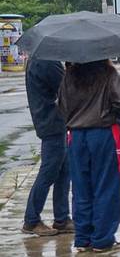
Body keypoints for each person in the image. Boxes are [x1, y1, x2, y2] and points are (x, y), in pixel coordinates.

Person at [58, 60, 120, 253]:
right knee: (106, 186)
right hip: (104, 133)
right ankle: (102, 239)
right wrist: (113, 111)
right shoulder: (107, 72)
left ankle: (82, 238)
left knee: (81, 187)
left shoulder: (70, 75)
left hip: (76, 136)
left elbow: (61, 106)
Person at [22, 59, 72, 237]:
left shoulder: (37, 59)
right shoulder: (47, 61)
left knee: (64, 171)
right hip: (52, 123)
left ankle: (62, 218)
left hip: (51, 122)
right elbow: (66, 87)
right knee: (49, 172)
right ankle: (31, 219)